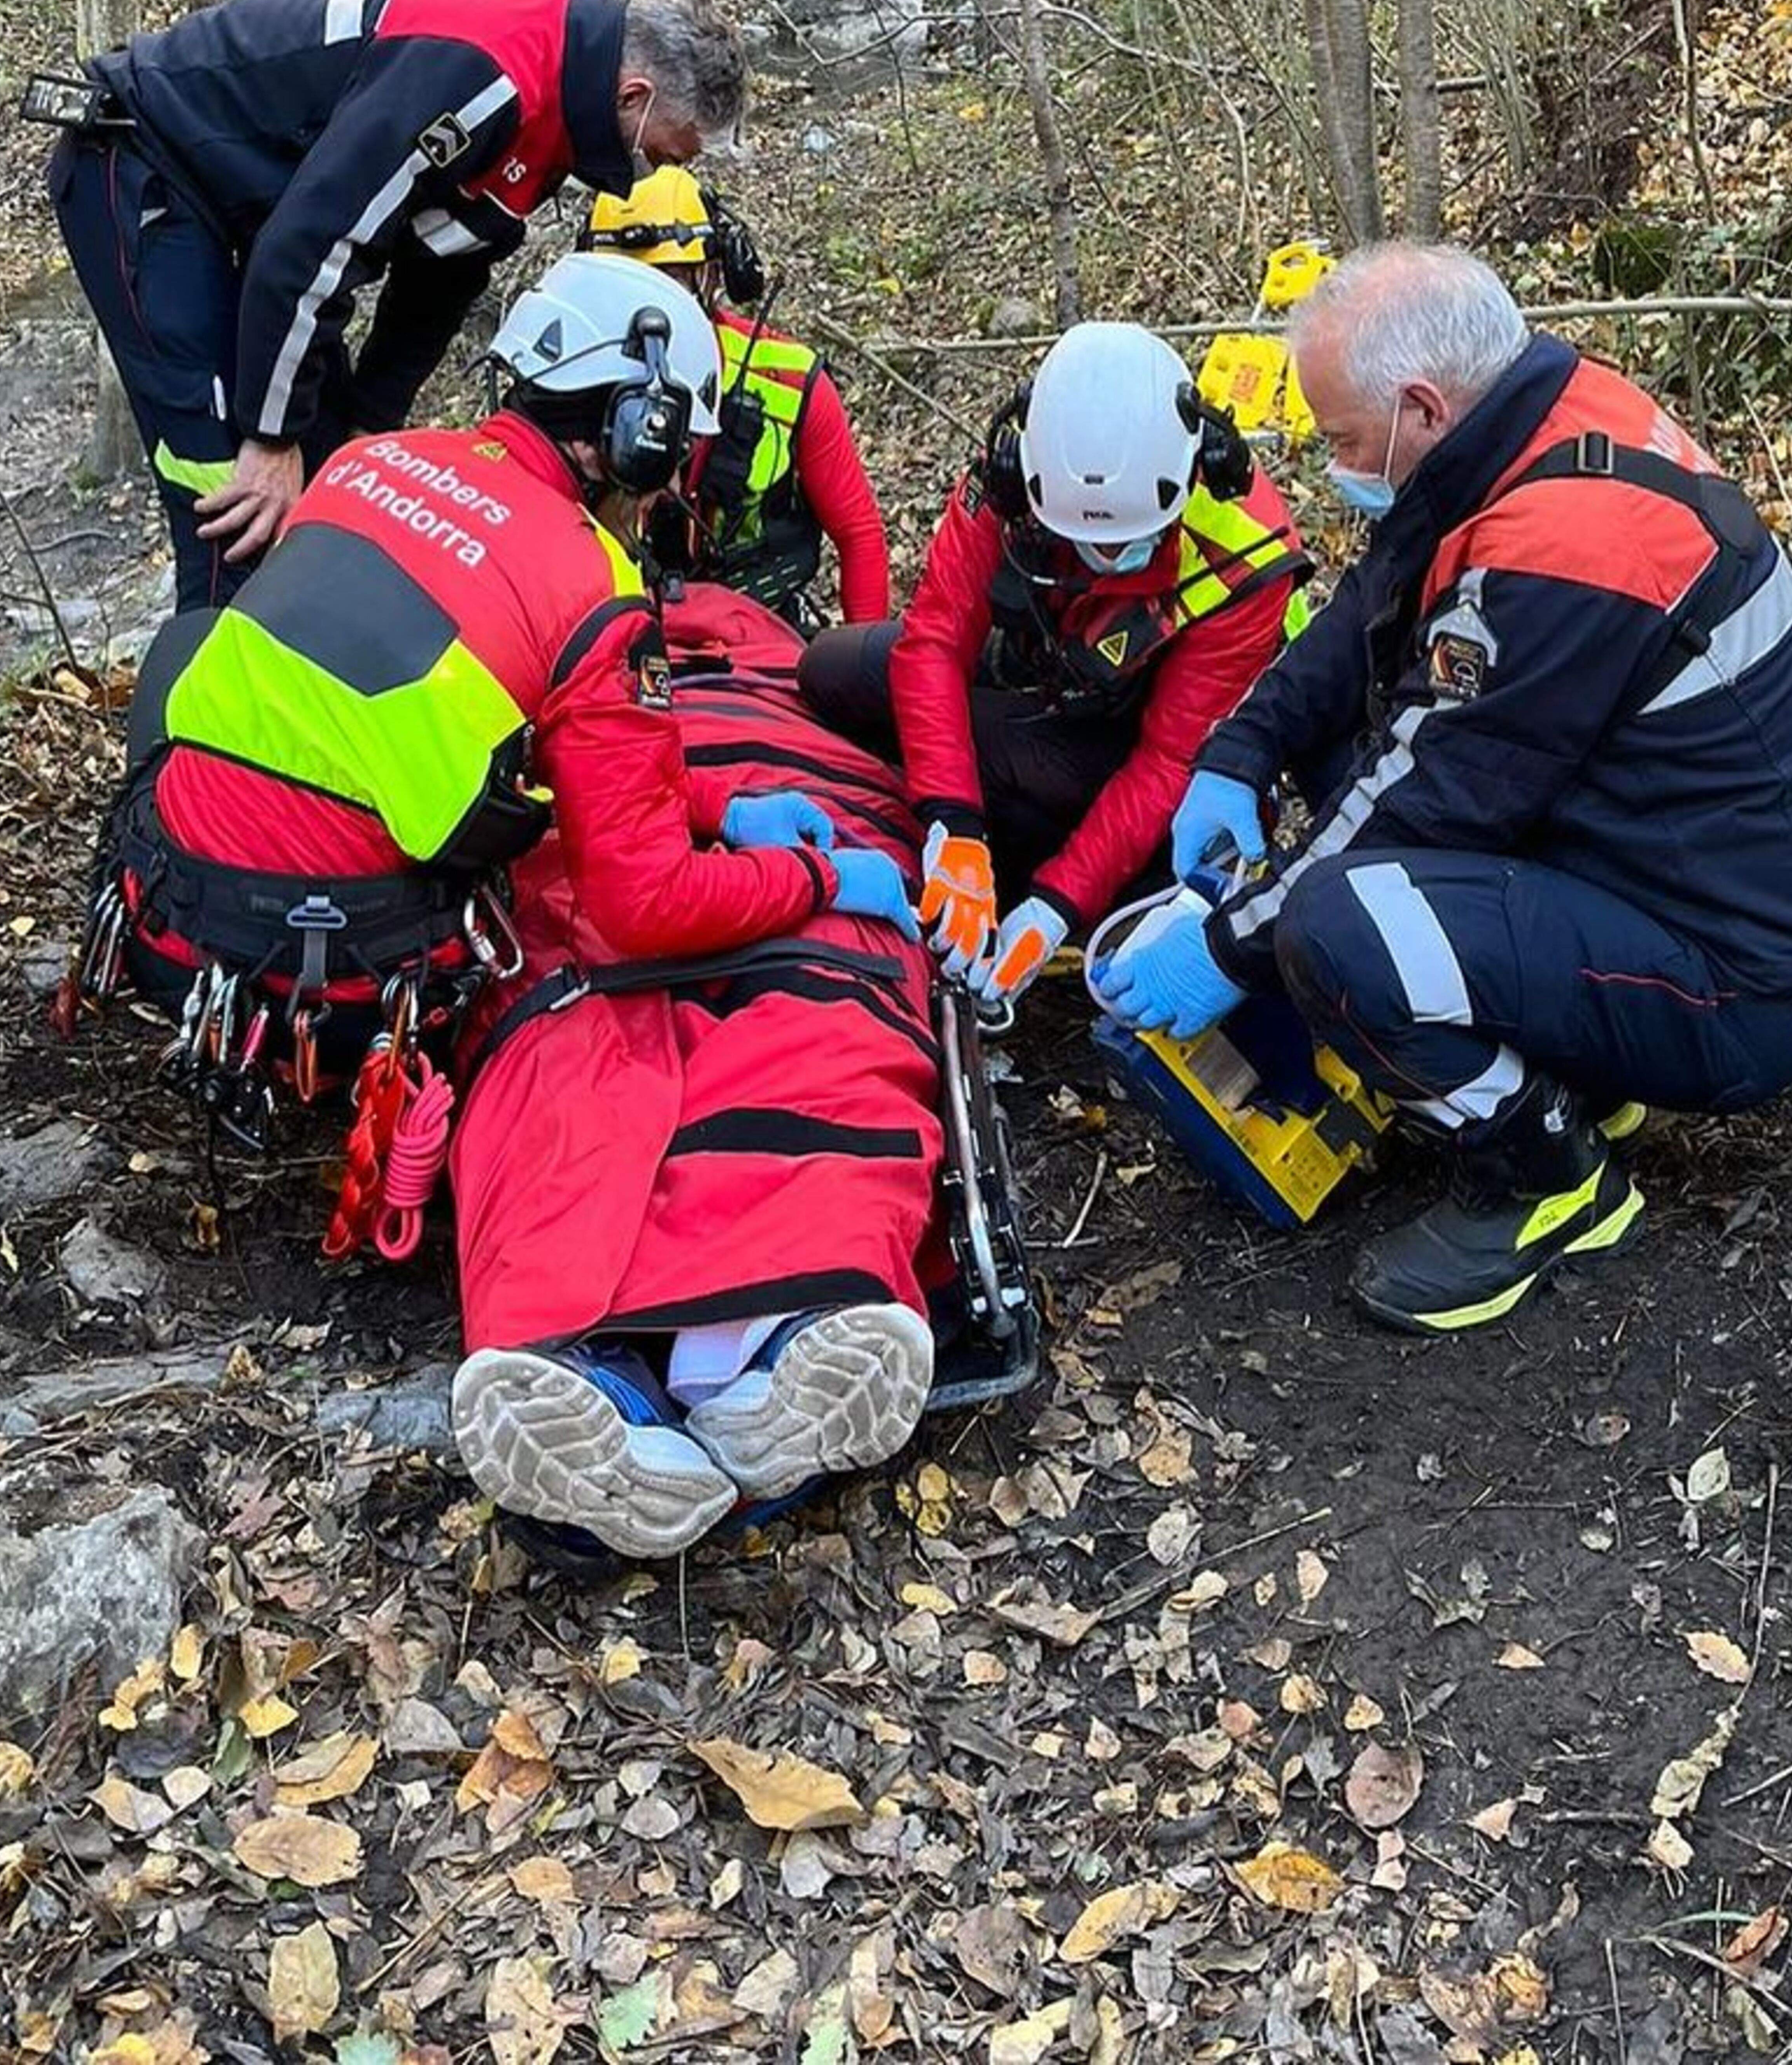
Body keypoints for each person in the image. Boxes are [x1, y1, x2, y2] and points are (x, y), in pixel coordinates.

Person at [109, 249, 925, 1553]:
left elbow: (493, 711)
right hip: (339, 959)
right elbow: (647, 904)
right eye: (671, 453)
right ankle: (713, 1335)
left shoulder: (371, 463)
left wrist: (716, 810)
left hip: (163, 895)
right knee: (575, 961)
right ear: (639, 428)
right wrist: (821, 874)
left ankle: (604, 1349)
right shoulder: (591, 589)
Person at [1097, 244, 1792, 1335]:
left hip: (1736, 985)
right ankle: (1573, 1062)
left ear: (1420, 407)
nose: (1335, 463)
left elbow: (1424, 796)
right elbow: (1377, 592)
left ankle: (1545, 1174)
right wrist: (1239, 749)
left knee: (1335, 921)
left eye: (1344, 440)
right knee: (1342, 776)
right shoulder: (1532, 415)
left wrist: (1228, 945)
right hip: (1654, 861)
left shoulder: (1566, 545)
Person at [46, 0, 746, 605]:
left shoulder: (552, 115)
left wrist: (368, 424)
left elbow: (443, 274)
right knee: (234, 502)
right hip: (146, 155)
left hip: (256, 218)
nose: (646, 175)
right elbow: (318, 244)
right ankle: (200, 730)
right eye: (658, 154)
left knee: (326, 484)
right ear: (634, 96)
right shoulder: (487, 73)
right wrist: (268, 437)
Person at [801, 321, 1308, 1014]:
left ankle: (1053, 875)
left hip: (1141, 755)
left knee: (1000, 755)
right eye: (1083, 539)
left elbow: (1169, 761)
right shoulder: (1011, 483)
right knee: (832, 669)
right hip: (1039, 677)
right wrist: (955, 824)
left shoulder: (1246, 556)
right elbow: (935, 641)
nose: (1104, 558)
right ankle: (983, 834)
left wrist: (1055, 905)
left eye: (1128, 542)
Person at [580, 168, 891, 628]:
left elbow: (859, 533)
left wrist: (865, 664)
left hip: (763, 631)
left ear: (711, 274)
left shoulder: (786, 379)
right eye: (624, 288)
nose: (647, 313)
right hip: (620, 632)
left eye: (669, 283)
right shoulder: (564, 386)